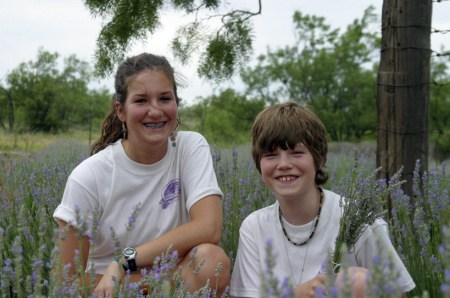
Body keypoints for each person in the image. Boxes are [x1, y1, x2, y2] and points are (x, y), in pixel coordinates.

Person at [53, 53, 230, 296]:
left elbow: (210, 227)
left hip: (165, 282)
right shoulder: (89, 177)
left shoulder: (190, 147)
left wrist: (125, 261)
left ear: (176, 104)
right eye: (141, 101)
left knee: (212, 261)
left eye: (165, 98)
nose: (155, 111)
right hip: (109, 289)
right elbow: (67, 281)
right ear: (121, 110)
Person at [229, 102, 415, 297]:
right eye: (271, 155)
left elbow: (396, 293)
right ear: (259, 163)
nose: (283, 164)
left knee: (355, 281)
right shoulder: (254, 227)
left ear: (319, 159)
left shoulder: (359, 221)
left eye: (297, 153)